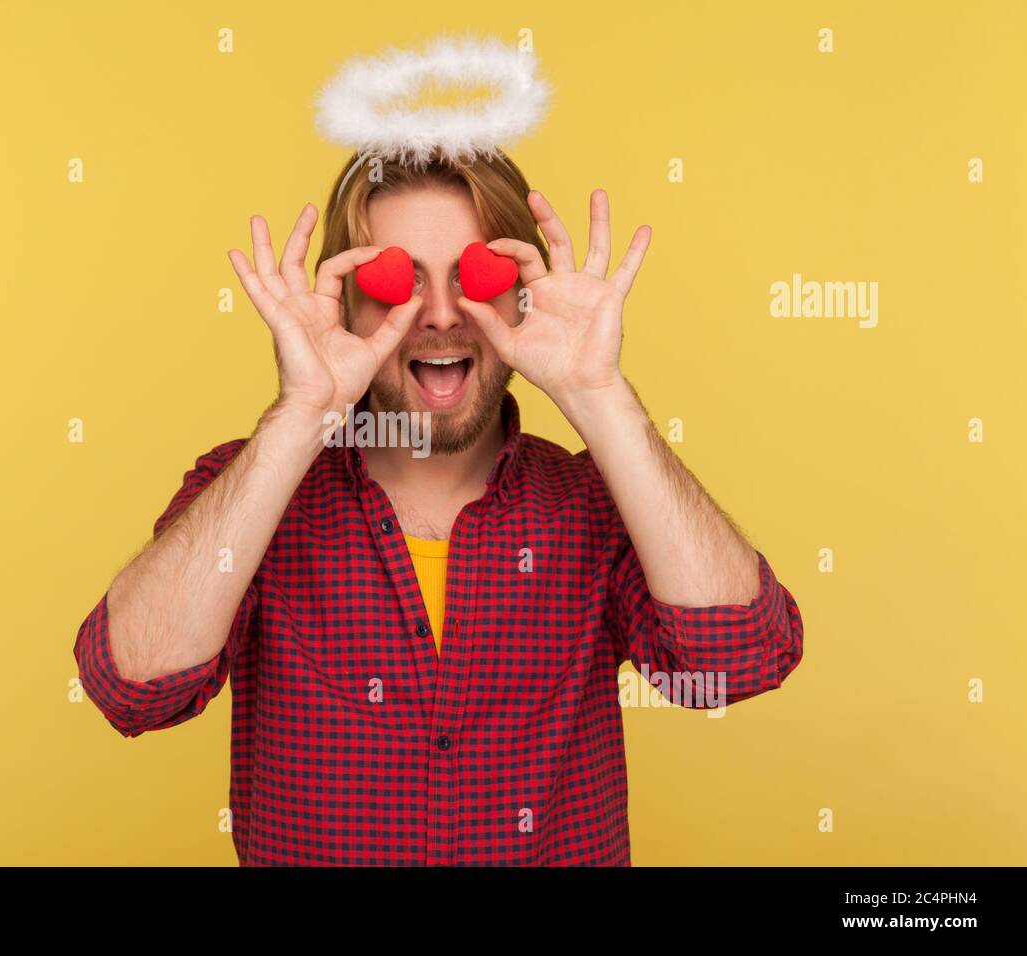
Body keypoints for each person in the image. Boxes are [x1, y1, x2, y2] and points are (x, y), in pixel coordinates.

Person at [72, 146, 805, 865]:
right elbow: (130, 688)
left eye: (476, 276)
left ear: (521, 295)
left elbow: (737, 662)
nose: (443, 314)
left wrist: (598, 397)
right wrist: (302, 413)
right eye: (398, 282)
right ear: (346, 307)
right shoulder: (253, 493)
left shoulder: (594, 505)